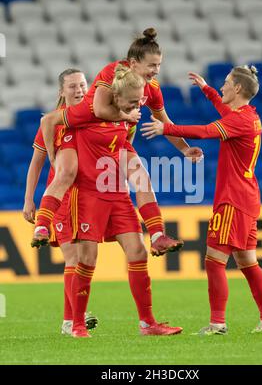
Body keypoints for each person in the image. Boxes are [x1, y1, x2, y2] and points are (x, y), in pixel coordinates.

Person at [32, 28, 202, 255]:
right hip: (86, 128)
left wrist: (184, 149)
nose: (156, 71)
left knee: (142, 177)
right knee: (66, 173)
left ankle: (158, 235)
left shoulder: (152, 89)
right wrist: (53, 154)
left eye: (159, 65)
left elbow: (164, 121)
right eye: (152, 65)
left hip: (114, 139)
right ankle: (42, 225)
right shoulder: (112, 73)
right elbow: (97, 110)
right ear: (133, 63)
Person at [42, 64, 183, 338]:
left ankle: (148, 323)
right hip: (88, 196)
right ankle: (76, 324)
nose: (136, 108)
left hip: (116, 194)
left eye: (138, 102)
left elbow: (123, 142)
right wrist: (50, 159)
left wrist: (182, 148)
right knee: (86, 260)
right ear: (115, 98)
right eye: (131, 103)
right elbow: (49, 122)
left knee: (138, 252)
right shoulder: (86, 113)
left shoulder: (127, 116)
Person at [141, 66, 262, 334]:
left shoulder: (238, 121)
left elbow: (206, 131)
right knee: (248, 263)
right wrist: (206, 89)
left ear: (238, 89)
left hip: (233, 200)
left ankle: (217, 324)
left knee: (214, 260)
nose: (222, 87)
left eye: (226, 83)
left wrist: (165, 128)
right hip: (247, 197)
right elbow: (223, 109)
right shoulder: (248, 116)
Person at [23, 68, 98, 335]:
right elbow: (36, 164)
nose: (79, 90)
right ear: (61, 91)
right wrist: (29, 199)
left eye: (83, 85)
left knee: (85, 259)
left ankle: (70, 319)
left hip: (89, 198)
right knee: (74, 257)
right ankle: (73, 319)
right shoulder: (53, 123)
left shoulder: (94, 118)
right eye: (73, 86)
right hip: (61, 199)